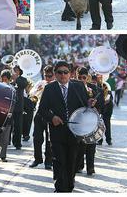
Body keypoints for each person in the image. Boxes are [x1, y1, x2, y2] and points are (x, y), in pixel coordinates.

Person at [37, 61, 96, 192]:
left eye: (65, 72)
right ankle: (60, 188)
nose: (63, 75)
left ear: (70, 74)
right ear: (55, 74)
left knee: (72, 162)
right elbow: (42, 109)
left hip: (76, 133)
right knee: (60, 161)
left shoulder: (79, 86)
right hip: (57, 132)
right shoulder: (49, 88)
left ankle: (69, 185)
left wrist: (90, 103)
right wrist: (52, 118)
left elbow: (84, 106)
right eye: (59, 72)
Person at [75, 68, 104, 175]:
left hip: (92, 119)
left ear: (88, 77)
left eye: (84, 77)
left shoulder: (94, 88)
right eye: (79, 78)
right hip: (80, 120)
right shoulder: (74, 87)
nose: (82, 80)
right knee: (80, 144)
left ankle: (90, 168)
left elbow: (101, 104)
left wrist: (95, 104)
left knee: (92, 143)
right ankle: (79, 166)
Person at [28, 65, 54, 169]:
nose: (47, 78)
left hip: (51, 113)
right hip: (39, 112)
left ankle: (49, 161)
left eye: (50, 76)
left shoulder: (56, 85)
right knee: (37, 137)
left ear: (54, 75)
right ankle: (37, 159)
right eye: (46, 75)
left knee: (49, 139)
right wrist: (38, 90)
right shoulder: (40, 83)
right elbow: (32, 94)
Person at [0, 70, 13, 162]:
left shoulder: (13, 89)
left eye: (6, 79)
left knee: (5, 138)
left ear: (9, 80)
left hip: (8, 116)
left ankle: (2, 156)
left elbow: (14, 102)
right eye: (3, 79)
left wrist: (11, 112)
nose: (4, 81)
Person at [11, 65, 26, 150]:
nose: (15, 72)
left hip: (19, 105)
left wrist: (16, 79)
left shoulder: (23, 79)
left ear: (19, 71)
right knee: (8, 125)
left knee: (18, 125)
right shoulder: (9, 78)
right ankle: (8, 140)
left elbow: (23, 85)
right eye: (14, 70)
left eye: (16, 70)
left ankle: (18, 143)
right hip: (9, 105)